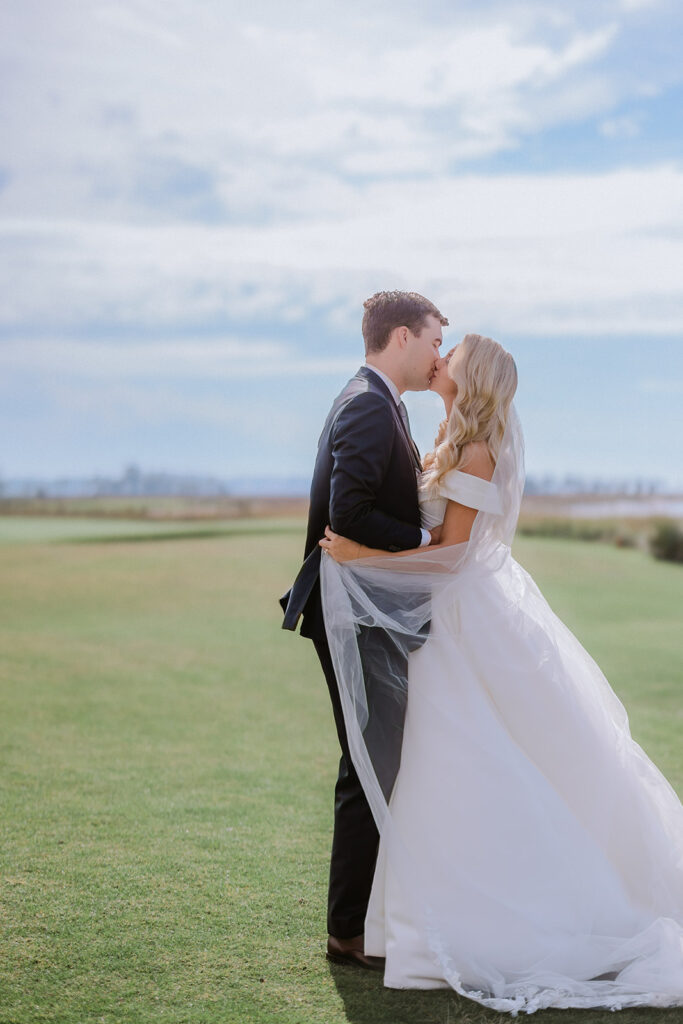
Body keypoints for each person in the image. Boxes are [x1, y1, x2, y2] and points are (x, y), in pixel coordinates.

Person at [319, 334, 683, 1014]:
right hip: (445, 620)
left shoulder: (479, 446)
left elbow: (451, 556)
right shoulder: (453, 435)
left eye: (453, 351)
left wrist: (359, 554)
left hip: (461, 623)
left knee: (460, 761)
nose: (442, 352)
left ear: (470, 374)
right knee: (442, 766)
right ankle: (411, 919)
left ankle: (487, 920)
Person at [280, 290, 448, 968]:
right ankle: (348, 931)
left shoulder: (381, 403)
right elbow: (346, 515)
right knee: (369, 763)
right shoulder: (366, 406)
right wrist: (422, 537)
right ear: (402, 336)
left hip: (369, 607)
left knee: (377, 759)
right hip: (350, 611)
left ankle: (363, 918)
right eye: (436, 338)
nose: (440, 351)